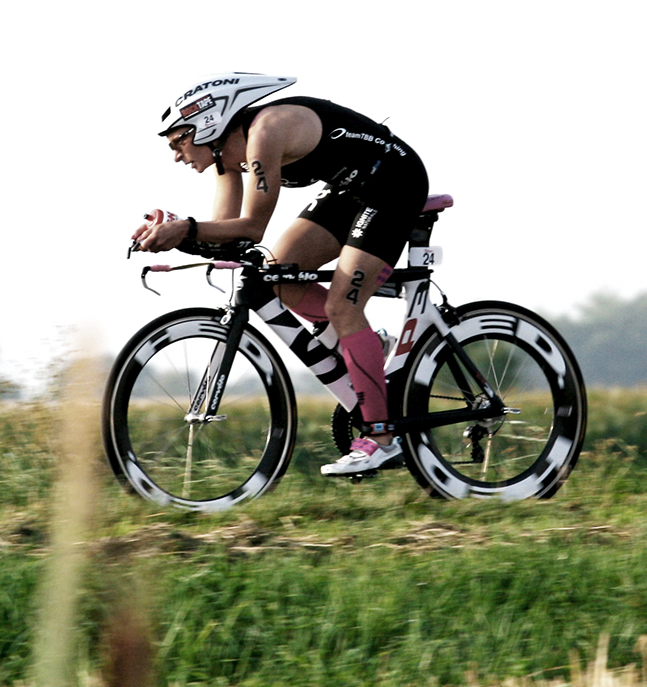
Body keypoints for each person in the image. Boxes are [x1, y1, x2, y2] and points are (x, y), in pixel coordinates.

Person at [132, 73, 429, 477]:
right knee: (277, 278)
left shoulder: (265, 133)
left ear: (207, 123)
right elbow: (226, 232)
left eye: (177, 141)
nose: (176, 155)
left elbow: (251, 227)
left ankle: (380, 439)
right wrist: (176, 232)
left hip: (393, 183)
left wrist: (185, 229)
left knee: (343, 305)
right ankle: (366, 346)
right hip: (349, 191)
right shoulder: (227, 159)